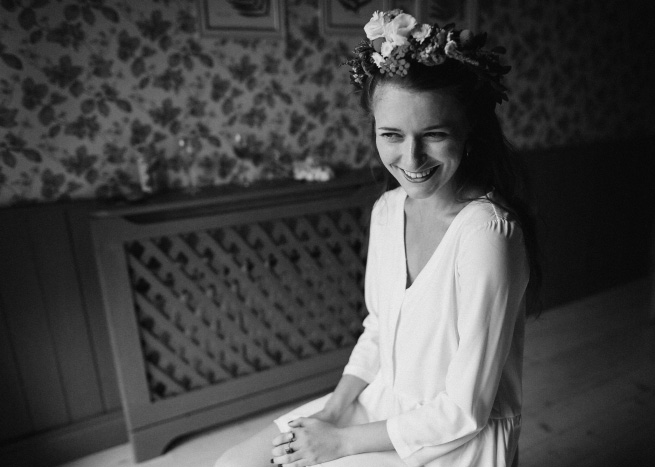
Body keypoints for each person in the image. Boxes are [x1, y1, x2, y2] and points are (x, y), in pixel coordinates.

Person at [214, 9, 540, 467]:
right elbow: (379, 328)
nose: (411, 158)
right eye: (391, 135)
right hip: (383, 404)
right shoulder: (387, 211)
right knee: (235, 463)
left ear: (470, 135)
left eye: (434, 134)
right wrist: (333, 411)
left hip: (452, 437)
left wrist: (340, 444)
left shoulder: (488, 235)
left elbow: (465, 411)